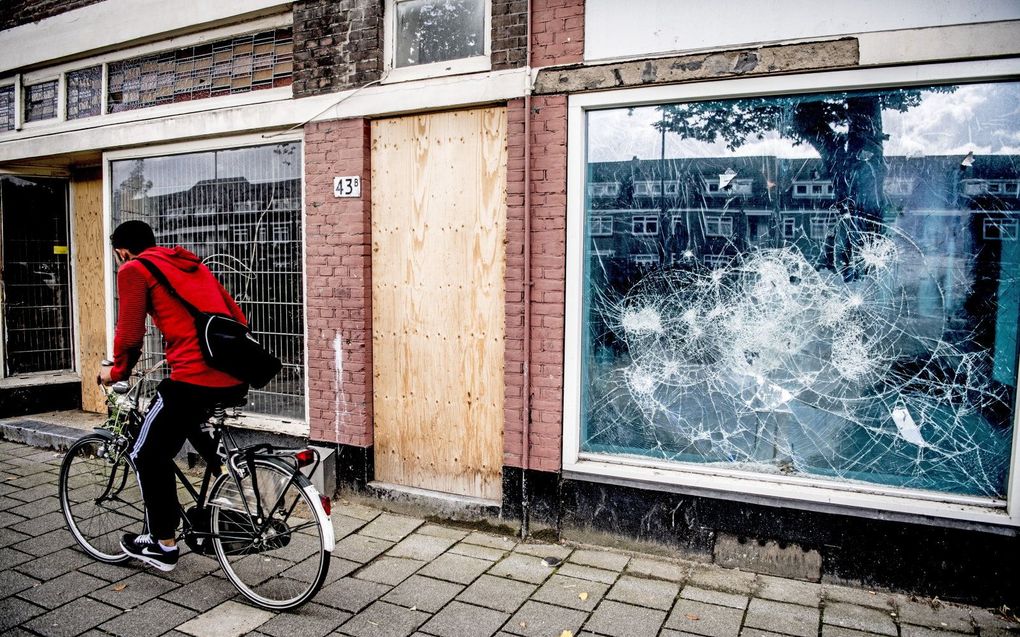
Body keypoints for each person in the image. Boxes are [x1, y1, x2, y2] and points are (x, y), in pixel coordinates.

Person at [100, 220, 247, 571]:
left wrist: (116, 371)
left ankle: (163, 544)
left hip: (194, 378)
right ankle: (225, 483)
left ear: (122, 252)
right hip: (233, 372)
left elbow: (131, 335)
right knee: (182, 419)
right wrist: (181, 349)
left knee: (145, 453)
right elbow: (235, 316)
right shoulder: (192, 265)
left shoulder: (134, 269)